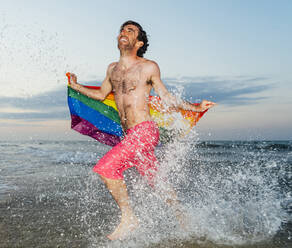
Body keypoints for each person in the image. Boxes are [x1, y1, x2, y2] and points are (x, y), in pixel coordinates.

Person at [68, 20, 215, 240]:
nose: (123, 33)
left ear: (139, 42)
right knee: (155, 181)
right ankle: (183, 217)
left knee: (106, 169)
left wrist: (195, 108)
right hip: (131, 136)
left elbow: (165, 97)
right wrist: (75, 85)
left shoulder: (148, 67)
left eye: (130, 30)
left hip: (145, 131)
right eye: (121, 30)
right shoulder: (112, 69)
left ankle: (129, 218)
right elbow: (100, 94)